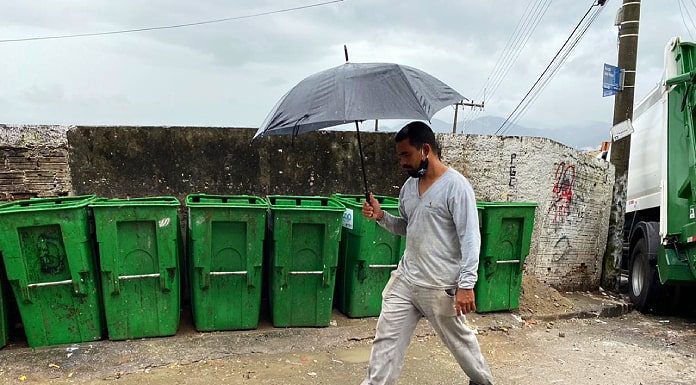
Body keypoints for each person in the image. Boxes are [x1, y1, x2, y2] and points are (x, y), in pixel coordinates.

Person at [360, 121, 494, 385]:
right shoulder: (408, 188)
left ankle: (482, 382)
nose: (401, 162)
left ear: (425, 150)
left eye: (405, 154)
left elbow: (470, 237)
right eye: (399, 155)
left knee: (459, 342)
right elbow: (409, 227)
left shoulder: (456, 187)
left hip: (440, 285)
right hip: (407, 280)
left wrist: (467, 284)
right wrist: (380, 216)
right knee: (386, 340)